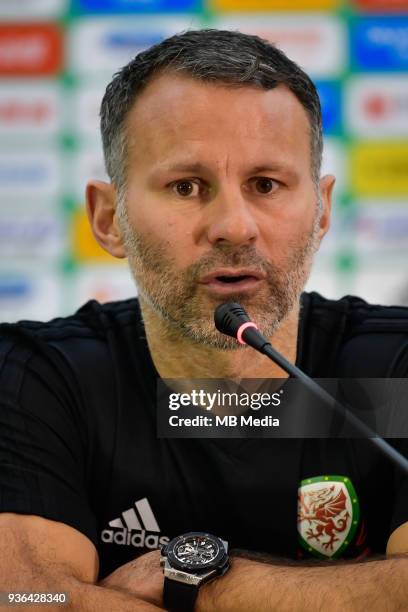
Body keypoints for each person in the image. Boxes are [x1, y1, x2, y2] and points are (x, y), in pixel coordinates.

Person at [1, 28, 408, 611]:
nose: (234, 226)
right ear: (109, 219)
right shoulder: (36, 376)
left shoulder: (396, 371)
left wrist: (204, 584)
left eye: (266, 184)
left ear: (321, 214)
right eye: (187, 186)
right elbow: (25, 598)